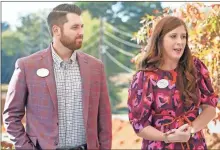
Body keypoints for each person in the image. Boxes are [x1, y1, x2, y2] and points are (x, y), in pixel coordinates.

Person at [3, 4, 112, 150]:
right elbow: (11, 116)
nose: (81, 32)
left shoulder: (95, 67)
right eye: (75, 27)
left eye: (82, 26)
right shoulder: (27, 66)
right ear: (56, 30)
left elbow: (104, 117)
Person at [127, 16, 218, 150]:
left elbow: (210, 107)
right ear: (160, 39)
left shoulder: (196, 67)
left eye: (183, 37)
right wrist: (167, 137)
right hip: (159, 146)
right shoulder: (144, 77)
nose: (180, 42)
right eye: (173, 36)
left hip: (194, 144)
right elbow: (139, 125)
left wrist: (191, 129)